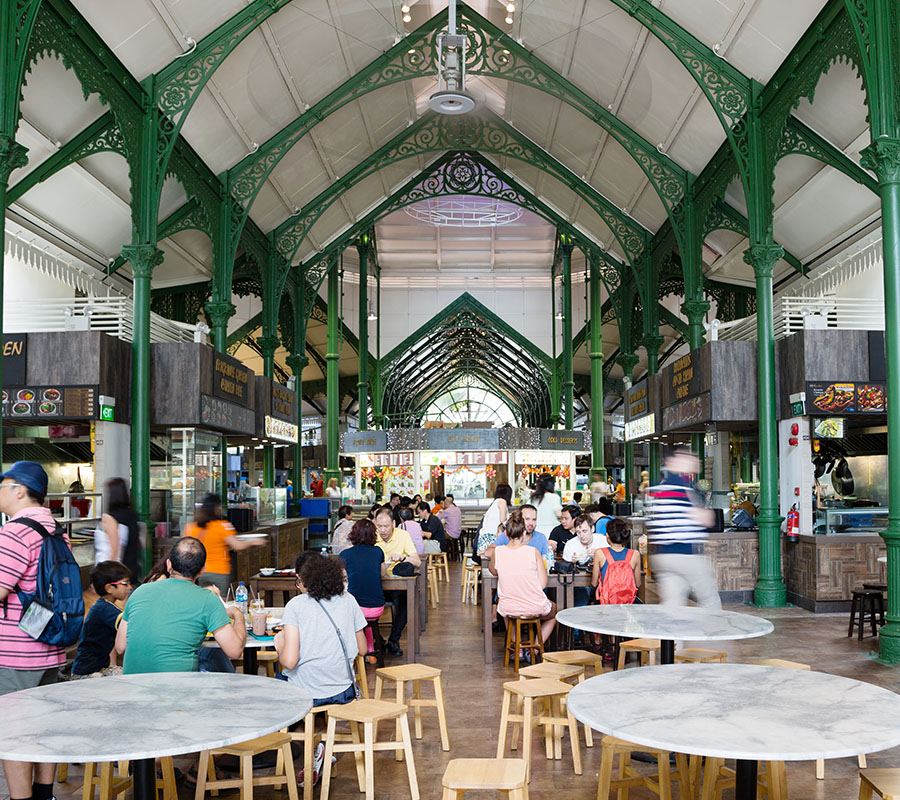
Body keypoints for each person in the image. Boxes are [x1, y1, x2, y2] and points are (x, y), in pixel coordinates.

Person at [0, 462, 72, 800]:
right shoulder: (56, 529)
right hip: (50, 645)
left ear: (19, 490)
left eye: (4, 484)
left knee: (13, 732)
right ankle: (45, 793)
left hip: (16, 652)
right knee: (43, 725)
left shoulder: (14, 533)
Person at [115, 537, 246, 673]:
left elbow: (120, 646)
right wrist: (238, 614)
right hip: (177, 689)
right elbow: (235, 651)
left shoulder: (139, 592)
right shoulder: (207, 600)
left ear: (169, 565)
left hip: (133, 687)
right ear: (202, 570)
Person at [275, 552, 367, 704]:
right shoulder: (349, 600)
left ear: (303, 580)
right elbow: (363, 649)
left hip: (306, 694)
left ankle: (300, 726)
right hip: (343, 691)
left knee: (274, 686)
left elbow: (289, 662)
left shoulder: (296, 605)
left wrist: (279, 646)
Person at [646, 449, 720, 608]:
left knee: (673, 603)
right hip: (685, 554)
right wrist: (707, 512)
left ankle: (671, 630)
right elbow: (704, 519)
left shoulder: (660, 489)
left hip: (663, 556)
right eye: (689, 457)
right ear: (676, 460)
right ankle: (714, 630)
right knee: (709, 599)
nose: (694, 460)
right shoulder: (682, 488)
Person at [489, 512, 556, 646]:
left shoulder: (498, 552)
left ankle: (517, 648)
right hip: (533, 605)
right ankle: (536, 647)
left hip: (508, 606)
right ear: (524, 533)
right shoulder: (533, 552)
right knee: (554, 614)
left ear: (506, 534)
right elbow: (542, 584)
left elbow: (493, 570)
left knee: (508, 611)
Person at [183, 493, 265, 595]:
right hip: (219, 572)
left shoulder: (190, 527)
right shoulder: (222, 526)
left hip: (197, 572)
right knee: (220, 603)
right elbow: (237, 545)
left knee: (199, 600)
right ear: (216, 508)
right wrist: (254, 541)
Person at [373, 507, 421, 656]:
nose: (382, 530)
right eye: (379, 526)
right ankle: (377, 640)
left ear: (393, 523)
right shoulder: (371, 537)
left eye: (386, 526)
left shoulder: (403, 535)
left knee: (406, 599)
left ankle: (394, 639)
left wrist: (402, 558)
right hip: (376, 584)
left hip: (397, 585)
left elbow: (417, 562)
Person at [72, 561, 131, 678]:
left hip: (100, 667)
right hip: (87, 672)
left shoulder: (103, 606)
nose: (129, 587)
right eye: (125, 583)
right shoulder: (105, 609)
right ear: (109, 588)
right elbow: (129, 626)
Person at [340, 519, 387, 658]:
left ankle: (354, 650)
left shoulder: (345, 554)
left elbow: (341, 579)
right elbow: (382, 573)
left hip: (355, 608)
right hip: (377, 608)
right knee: (364, 618)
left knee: (355, 612)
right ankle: (370, 649)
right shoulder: (378, 552)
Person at [95, 477, 142, 581]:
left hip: (117, 573)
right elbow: (140, 542)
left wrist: (106, 576)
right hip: (132, 567)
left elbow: (114, 549)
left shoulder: (109, 518)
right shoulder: (133, 515)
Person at [592, 518, 640, 604]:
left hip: (606, 602)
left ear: (607, 535)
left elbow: (594, 583)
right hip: (628, 602)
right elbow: (638, 583)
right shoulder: (635, 554)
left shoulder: (599, 553)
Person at [477, 483, 512, 555]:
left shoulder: (495, 503)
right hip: (491, 540)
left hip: (484, 540)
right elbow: (503, 521)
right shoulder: (502, 501)